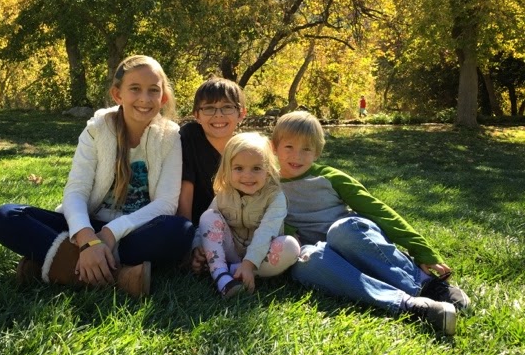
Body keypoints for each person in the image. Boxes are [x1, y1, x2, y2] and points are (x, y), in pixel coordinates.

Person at [0, 55, 195, 297]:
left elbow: (166, 204)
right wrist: (87, 239)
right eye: (135, 89)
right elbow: (76, 191)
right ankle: (120, 277)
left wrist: (109, 235)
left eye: (153, 90)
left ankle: (57, 267)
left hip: (133, 232)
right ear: (117, 94)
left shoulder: (170, 137)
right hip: (87, 224)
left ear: (163, 98)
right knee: (6, 216)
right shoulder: (97, 129)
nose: (144, 98)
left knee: (179, 230)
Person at [271, 111, 470, 335]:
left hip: (354, 242)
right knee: (305, 261)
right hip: (326, 259)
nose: (297, 156)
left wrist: (422, 249)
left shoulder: (330, 177)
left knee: (342, 230)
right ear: (274, 147)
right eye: (289, 147)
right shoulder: (267, 185)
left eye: (306, 149)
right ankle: (409, 305)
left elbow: (378, 211)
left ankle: (426, 284)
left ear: (317, 152)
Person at [196, 132, 300, 298]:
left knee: (291, 246)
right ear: (227, 170)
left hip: (263, 255)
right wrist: (197, 248)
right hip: (231, 250)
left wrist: (249, 263)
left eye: (256, 168)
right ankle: (222, 277)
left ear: (268, 170)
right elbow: (206, 228)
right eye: (239, 168)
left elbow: (267, 231)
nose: (247, 176)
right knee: (208, 216)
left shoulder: (275, 197)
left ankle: (227, 269)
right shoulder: (224, 194)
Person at [177, 77, 247, 272]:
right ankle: (200, 253)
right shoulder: (190, 136)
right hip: (197, 224)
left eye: (227, 107)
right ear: (197, 114)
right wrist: (188, 239)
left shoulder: (246, 149)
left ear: (241, 113)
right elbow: (185, 190)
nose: (218, 115)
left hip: (235, 228)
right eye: (209, 108)